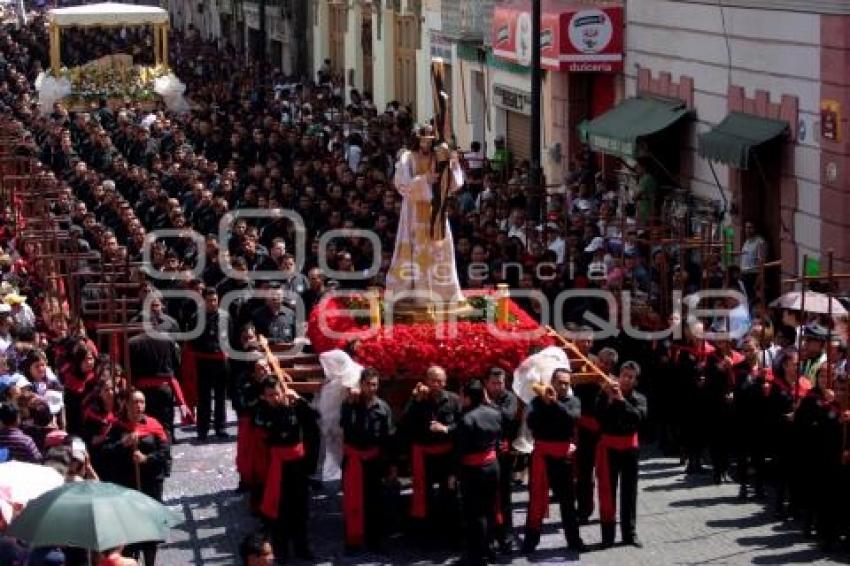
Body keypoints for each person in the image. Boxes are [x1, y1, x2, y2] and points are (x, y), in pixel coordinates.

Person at [385, 129, 466, 312]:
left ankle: (444, 293)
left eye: (429, 141)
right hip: (413, 213)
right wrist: (425, 180)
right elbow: (402, 184)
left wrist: (452, 163)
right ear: (417, 140)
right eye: (423, 141)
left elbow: (454, 185)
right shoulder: (407, 158)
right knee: (414, 252)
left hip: (436, 211)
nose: (426, 145)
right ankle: (414, 294)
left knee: (439, 249)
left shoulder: (439, 156)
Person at [101, 389, 171, 565]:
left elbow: (164, 453)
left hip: (150, 485)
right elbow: (105, 452)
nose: (139, 406)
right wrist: (123, 443)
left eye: (142, 402)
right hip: (126, 485)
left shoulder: (154, 424)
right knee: (129, 531)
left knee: (150, 531)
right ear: (126, 404)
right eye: (135, 402)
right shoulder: (117, 427)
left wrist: (146, 458)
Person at [522, 368, 585, 554]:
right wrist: (548, 405)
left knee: (568, 502)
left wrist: (554, 404)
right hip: (541, 456)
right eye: (560, 383)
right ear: (552, 382)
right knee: (535, 500)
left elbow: (572, 419)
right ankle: (530, 542)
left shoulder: (574, 401)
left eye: (567, 383)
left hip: (563, 457)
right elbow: (532, 422)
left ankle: (574, 541)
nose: (564, 386)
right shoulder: (536, 401)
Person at [258, 377, 314, 560]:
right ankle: (281, 551)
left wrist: (299, 401)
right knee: (280, 511)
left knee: (300, 508)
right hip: (278, 465)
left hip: (297, 465)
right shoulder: (264, 411)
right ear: (264, 397)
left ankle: (302, 548)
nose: (273, 398)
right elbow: (268, 434)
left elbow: (314, 419)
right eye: (269, 395)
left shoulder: (295, 406)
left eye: (276, 394)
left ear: (282, 392)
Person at [401, 365, 462, 535]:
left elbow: (462, 425)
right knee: (423, 495)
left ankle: (449, 532)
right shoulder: (417, 399)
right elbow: (405, 425)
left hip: (446, 456)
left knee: (449, 495)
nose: (437, 384)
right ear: (426, 381)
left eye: (440, 381)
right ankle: (424, 533)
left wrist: (446, 428)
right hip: (424, 456)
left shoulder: (454, 400)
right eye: (433, 380)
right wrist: (416, 402)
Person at [340, 367, 394, 552]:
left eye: (375, 385)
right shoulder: (350, 404)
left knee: (374, 503)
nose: (372, 388)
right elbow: (343, 426)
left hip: (373, 461)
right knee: (352, 502)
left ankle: (374, 540)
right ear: (361, 384)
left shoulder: (383, 407)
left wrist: (390, 466)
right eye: (368, 384)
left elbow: (388, 438)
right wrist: (350, 402)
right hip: (353, 459)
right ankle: (352, 541)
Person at [596, 361, 647, 548]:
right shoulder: (604, 394)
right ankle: (607, 536)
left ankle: (629, 534)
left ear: (636, 380)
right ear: (618, 376)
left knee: (629, 492)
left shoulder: (640, 398)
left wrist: (621, 401)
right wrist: (609, 399)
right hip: (609, 448)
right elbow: (599, 418)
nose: (626, 379)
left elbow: (638, 418)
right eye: (624, 375)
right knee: (608, 492)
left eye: (630, 377)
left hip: (629, 449)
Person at [456, 379, 502, 566]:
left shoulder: (467, 419)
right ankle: (490, 548)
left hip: (473, 469)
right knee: (490, 509)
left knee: (475, 514)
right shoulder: (495, 413)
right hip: (492, 465)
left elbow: (461, 450)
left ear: (467, 398)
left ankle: (478, 553)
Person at [128, 322, 186, 442]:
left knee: (146, 423)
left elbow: (128, 367)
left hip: (143, 389)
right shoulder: (168, 340)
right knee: (165, 425)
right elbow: (175, 363)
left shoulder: (133, 343)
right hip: (163, 388)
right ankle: (165, 449)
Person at [483, 367, 520, 553]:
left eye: (501, 383)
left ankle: (506, 535)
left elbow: (508, 416)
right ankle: (488, 535)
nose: (498, 387)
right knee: (486, 497)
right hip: (484, 453)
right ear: (486, 383)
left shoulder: (510, 397)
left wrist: (489, 406)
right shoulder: (480, 397)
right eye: (494, 383)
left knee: (505, 495)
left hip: (503, 453)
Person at [190, 288, 229, 441]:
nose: (212, 303)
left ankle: (220, 428)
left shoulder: (225, 317)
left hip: (221, 361)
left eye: (214, 300)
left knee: (221, 397)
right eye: (209, 300)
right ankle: (203, 430)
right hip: (204, 361)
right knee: (204, 397)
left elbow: (230, 336)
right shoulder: (196, 317)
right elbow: (192, 340)